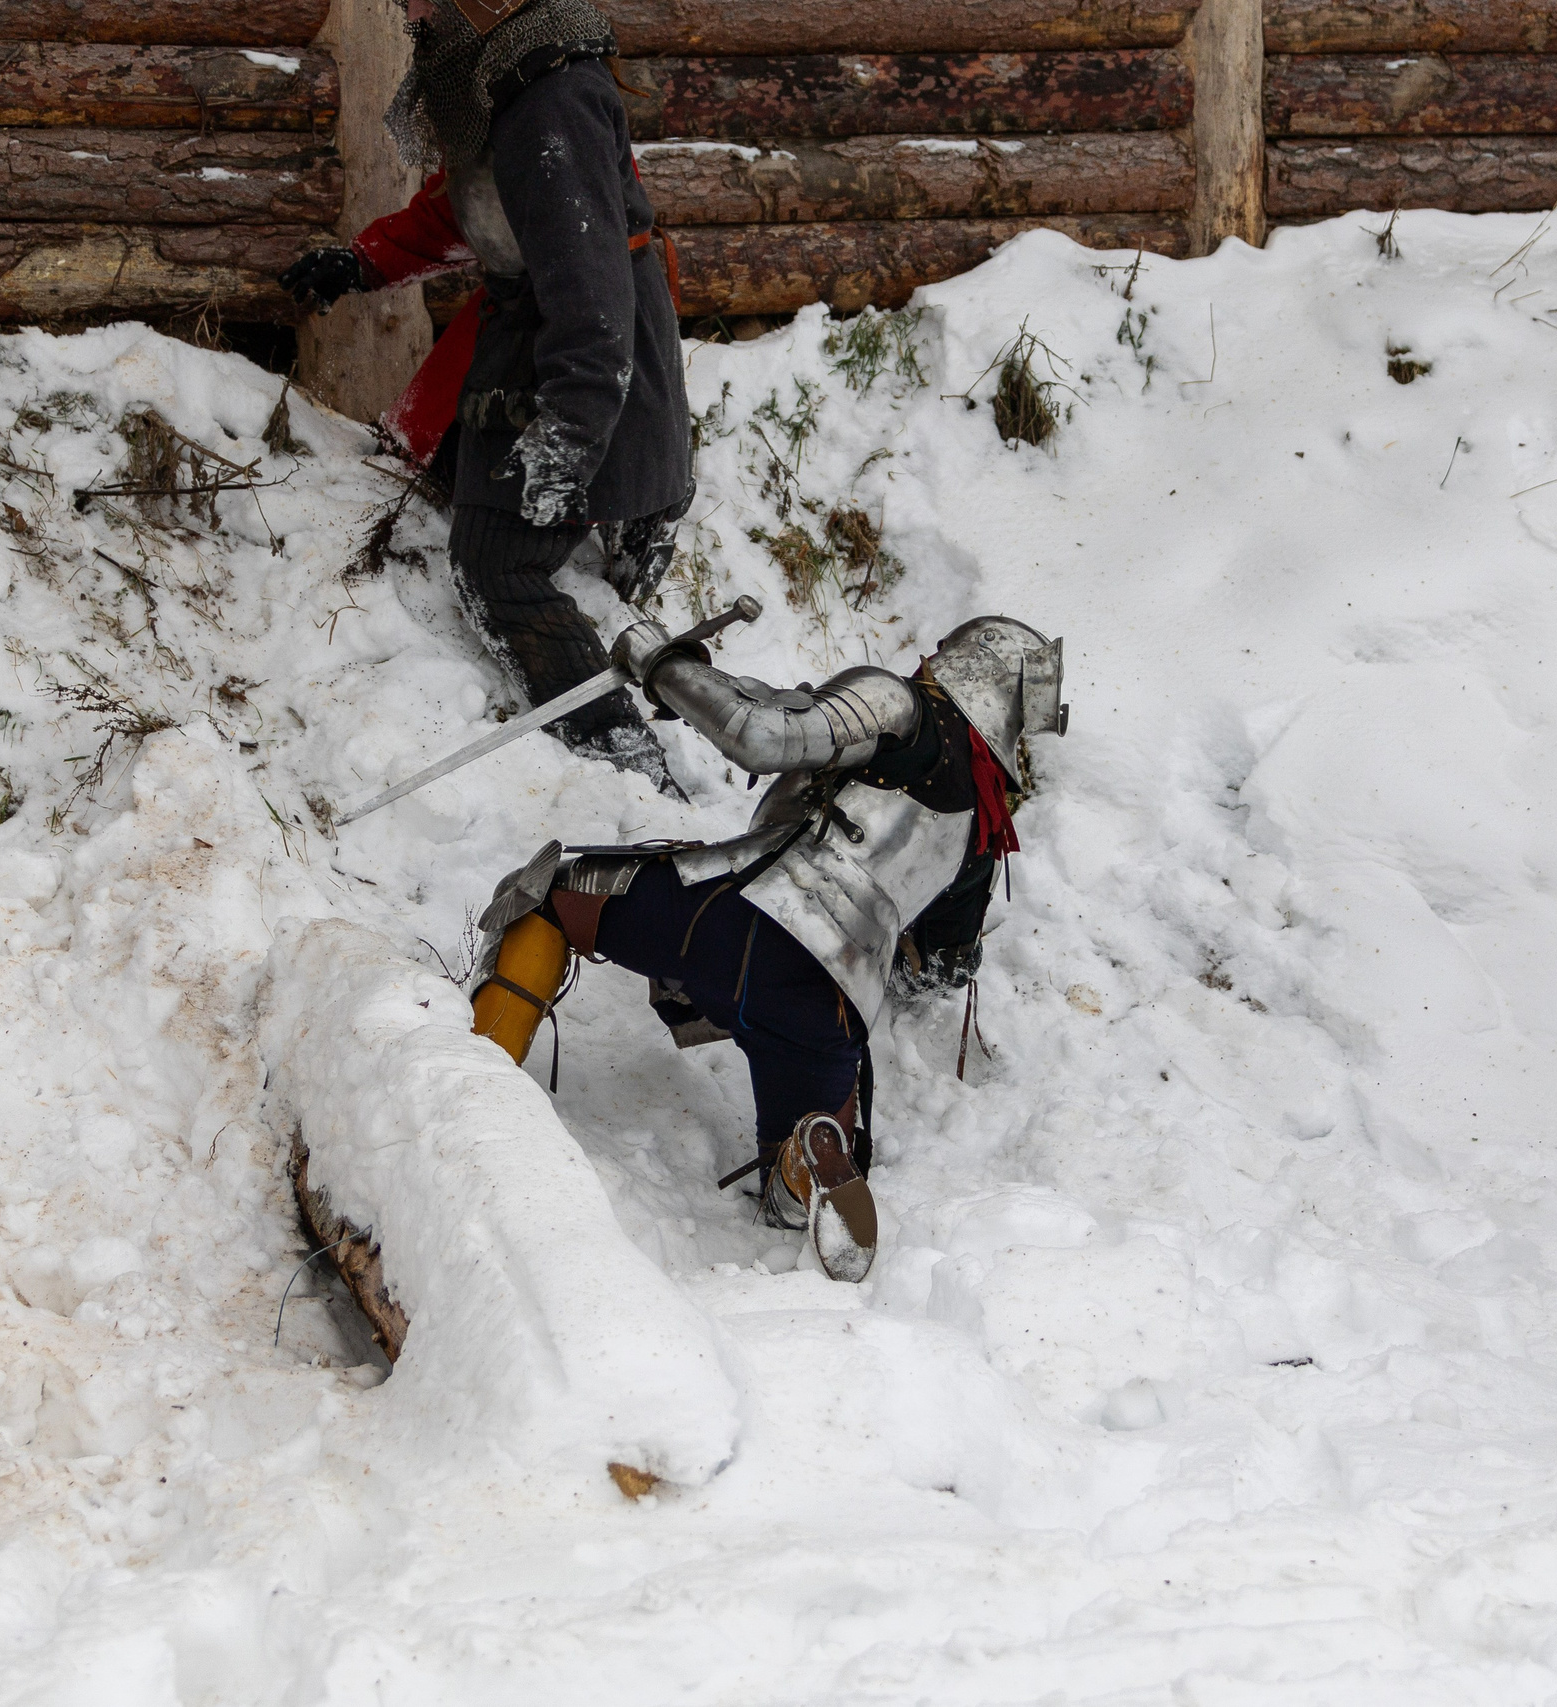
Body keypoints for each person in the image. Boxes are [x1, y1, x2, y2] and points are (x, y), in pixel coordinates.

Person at [462, 614, 1069, 1281]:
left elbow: (761, 733)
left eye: (942, 653)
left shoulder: (903, 705)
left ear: (967, 663)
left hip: (738, 921)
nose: (928, 659)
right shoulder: (985, 827)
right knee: (788, 1193)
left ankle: (476, 1073)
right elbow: (946, 964)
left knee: (549, 892)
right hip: (831, 1007)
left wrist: (659, 663)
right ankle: (806, 1160)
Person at [280, 0, 691, 789]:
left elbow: (591, 297)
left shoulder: (550, 103)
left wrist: (571, 432)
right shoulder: (508, 84)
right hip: (540, 339)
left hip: (585, 354)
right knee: (449, 477)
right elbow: (468, 207)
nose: (408, 9)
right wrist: (364, 263)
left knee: (494, 565)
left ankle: (624, 760)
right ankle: (634, 507)